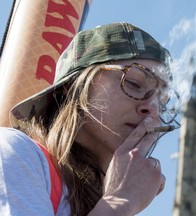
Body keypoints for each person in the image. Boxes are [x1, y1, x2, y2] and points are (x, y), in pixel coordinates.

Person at [0, 22, 180, 216]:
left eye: (162, 100)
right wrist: (118, 202)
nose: (153, 109)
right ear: (73, 87)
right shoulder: (17, 152)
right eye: (134, 82)